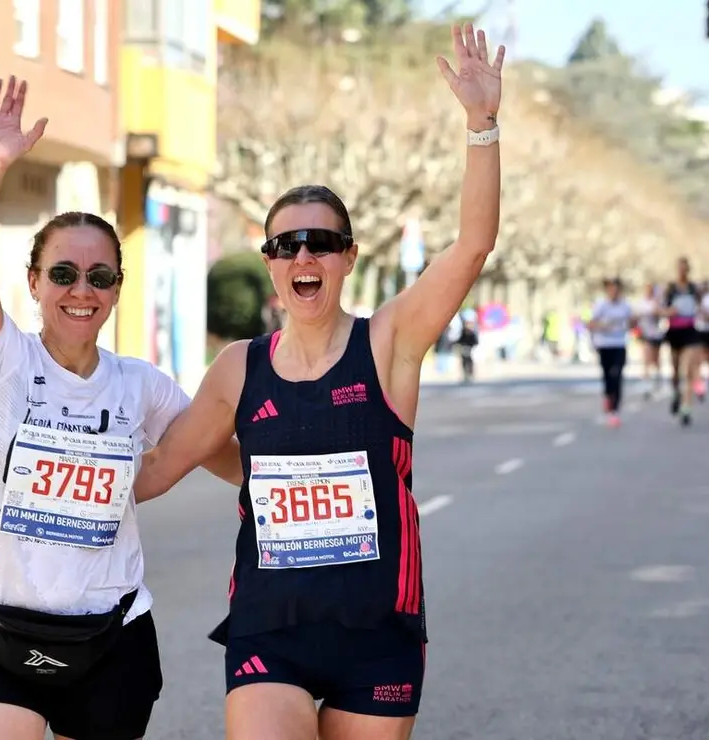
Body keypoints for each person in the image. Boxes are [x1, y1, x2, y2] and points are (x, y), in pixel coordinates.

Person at [134, 22, 504, 740]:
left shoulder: (391, 343)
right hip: (271, 630)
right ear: (271, 262)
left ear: (348, 258)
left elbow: (474, 244)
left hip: (379, 630)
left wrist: (482, 126)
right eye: (287, 244)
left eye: (323, 243)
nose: (305, 254)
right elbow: (153, 473)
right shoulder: (238, 368)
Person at [0, 77, 243, 740]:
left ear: (116, 290)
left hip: (112, 639)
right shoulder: (2, 362)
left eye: (100, 276)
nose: (81, 290)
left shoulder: (142, 386)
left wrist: (306, 485)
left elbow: (225, 458)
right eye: (63, 274)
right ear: (33, 282)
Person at [662, 257, 705, 426]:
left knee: (687, 371)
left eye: (685, 269)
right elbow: (661, 309)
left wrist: (704, 313)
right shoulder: (670, 289)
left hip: (690, 332)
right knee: (675, 370)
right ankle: (676, 393)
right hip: (674, 332)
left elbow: (701, 308)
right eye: (679, 268)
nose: (682, 272)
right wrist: (669, 312)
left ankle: (686, 407)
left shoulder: (694, 289)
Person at [588, 277, 633, 428]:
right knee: (607, 376)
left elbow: (631, 321)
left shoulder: (625, 305)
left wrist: (631, 323)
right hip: (604, 344)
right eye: (611, 289)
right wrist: (603, 325)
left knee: (617, 374)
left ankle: (615, 409)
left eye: (616, 289)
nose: (614, 292)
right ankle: (608, 397)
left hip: (619, 343)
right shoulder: (601, 305)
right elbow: (591, 323)